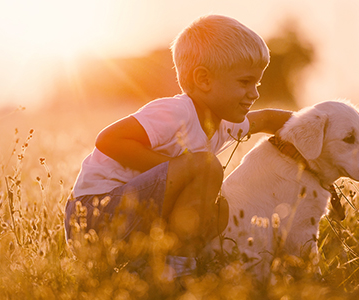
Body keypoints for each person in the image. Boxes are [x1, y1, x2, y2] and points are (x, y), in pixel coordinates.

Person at [64, 14, 292, 278]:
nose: (255, 93)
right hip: (93, 217)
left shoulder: (224, 122)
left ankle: (153, 267)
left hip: (129, 221)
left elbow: (267, 119)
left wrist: (318, 125)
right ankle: (179, 271)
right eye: (245, 82)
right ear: (204, 80)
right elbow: (108, 139)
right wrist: (176, 171)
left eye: (258, 83)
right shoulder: (176, 112)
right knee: (205, 167)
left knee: (220, 211)